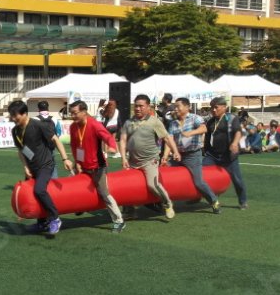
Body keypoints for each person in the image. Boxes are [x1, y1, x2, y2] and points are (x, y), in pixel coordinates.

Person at [8, 100, 73, 235]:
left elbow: (55, 139)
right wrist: (25, 167)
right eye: (11, 115)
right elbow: (21, 151)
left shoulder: (38, 125)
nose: (13, 118)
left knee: (39, 190)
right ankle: (42, 223)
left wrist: (65, 159)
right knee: (31, 194)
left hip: (45, 165)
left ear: (24, 113)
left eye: (15, 115)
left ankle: (55, 218)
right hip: (31, 168)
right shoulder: (14, 131)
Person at [120, 94, 181, 220]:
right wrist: (124, 159)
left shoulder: (154, 121)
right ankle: (130, 211)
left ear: (148, 107)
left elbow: (166, 138)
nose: (137, 108)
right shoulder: (128, 122)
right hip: (132, 162)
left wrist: (175, 151)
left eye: (141, 106)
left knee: (153, 185)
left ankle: (167, 204)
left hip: (149, 161)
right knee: (126, 185)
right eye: (136, 106)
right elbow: (123, 140)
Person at [69, 100, 126, 233]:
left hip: (98, 166)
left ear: (84, 112)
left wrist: (112, 147)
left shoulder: (94, 125)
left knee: (104, 193)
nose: (72, 116)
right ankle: (81, 206)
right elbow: (74, 146)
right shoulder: (73, 127)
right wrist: (77, 161)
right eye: (71, 113)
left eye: (75, 113)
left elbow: (108, 137)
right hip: (82, 165)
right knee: (73, 184)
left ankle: (119, 221)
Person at [163, 97, 220, 214]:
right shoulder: (173, 123)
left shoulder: (195, 118)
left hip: (193, 155)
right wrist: (165, 156)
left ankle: (214, 201)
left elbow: (204, 128)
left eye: (178, 106)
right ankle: (164, 202)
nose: (176, 109)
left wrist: (191, 133)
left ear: (187, 107)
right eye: (175, 106)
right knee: (163, 170)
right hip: (178, 156)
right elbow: (169, 140)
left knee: (198, 182)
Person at [203, 96, 248, 209]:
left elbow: (238, 132)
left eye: (216, 107)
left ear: (224, 107)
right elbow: (207, 137)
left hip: (228, 156)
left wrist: (234, 143)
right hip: (212, 155)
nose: (213, 110)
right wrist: (205, 149)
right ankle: (198, 196)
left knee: (237, 180)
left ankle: (243, 202)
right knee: (200, 173)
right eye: (212, 107)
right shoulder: (210, 122)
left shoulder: (232, 119)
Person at [36, 100, 63, 178]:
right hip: (51, 147)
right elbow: (58, 133)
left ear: (38, 109)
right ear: (48, 108)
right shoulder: (54, 119)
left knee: (39, 166)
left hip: (39, 148)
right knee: (53, 165)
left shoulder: (34, 119)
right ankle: (54, 183)